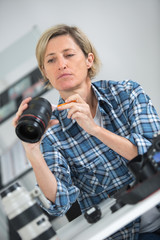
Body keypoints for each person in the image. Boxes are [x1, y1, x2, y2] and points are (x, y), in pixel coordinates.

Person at [13, 24, 160, 240]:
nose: (61, 64)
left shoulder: (127, 93)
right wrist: (32, 151)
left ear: (88, 60)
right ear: (45, 72)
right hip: (128, 233)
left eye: (69, 55)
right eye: (51, 60)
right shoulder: (52, 132)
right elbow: (58, 204)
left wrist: (96, 129)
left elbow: (155, 157)